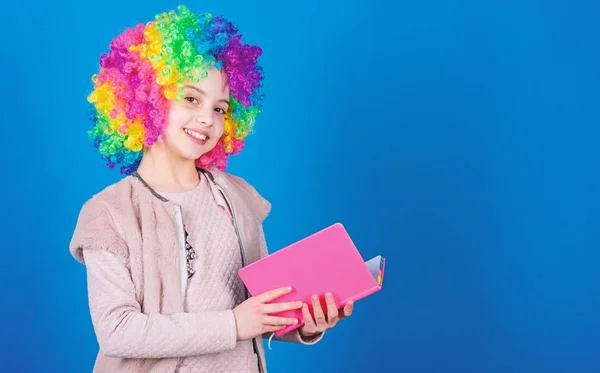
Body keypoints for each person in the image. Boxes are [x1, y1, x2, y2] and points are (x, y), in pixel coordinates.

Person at [69, 5, 354, 373]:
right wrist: (233, 324)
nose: (208, 118)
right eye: (190, 98)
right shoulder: (108, 214)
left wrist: (304, 322)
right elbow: (117, 331)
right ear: (145, 100)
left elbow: (255, 309)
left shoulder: (235, 197)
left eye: (220, 108)